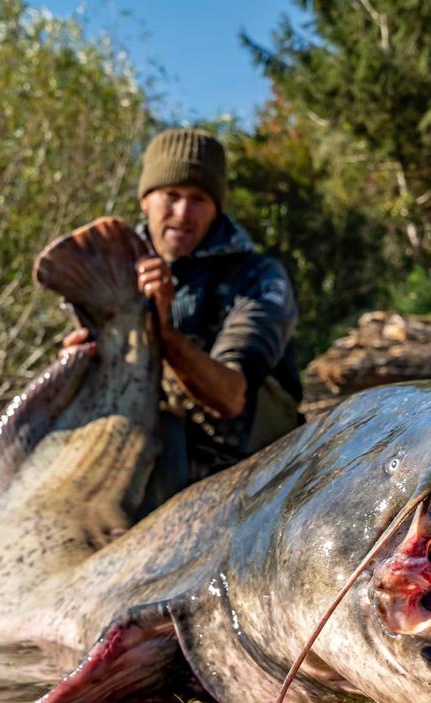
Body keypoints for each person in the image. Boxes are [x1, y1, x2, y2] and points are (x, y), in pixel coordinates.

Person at [64, 128, 303, 510]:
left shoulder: (258, 276)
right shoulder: (111, 273)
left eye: (198, 199)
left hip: (252, 466)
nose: (183, 213)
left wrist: (163, 335)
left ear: (217, 207)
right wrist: (79, 366)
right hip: (141, 449)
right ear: (145, 200)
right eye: (171, 196)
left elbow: (230, 397)